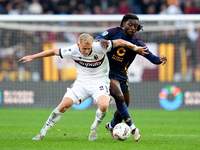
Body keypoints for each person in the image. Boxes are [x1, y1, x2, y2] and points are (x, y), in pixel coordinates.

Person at [18, 33, 147, 141]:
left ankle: (94, 128)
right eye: (83, 49)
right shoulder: (73, 50)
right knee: (63, 105)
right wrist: (32, 57)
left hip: (100, 82)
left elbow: (119, 41)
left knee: (104, 105)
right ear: (79, 45)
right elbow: (53, 51)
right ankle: (42, 133)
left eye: (88, 48)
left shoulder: (101, 47)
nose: (86, 51)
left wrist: (136, 48)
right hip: (82, 83)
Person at [90, 13, 167, 142]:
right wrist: (103, 41)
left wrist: (160, 59)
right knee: (119, 97)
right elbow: (96, 40)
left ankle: (111, 125)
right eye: (130, 24)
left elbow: (152, 58)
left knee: (125, 104)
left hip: (121, 74)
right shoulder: (113, 32)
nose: (132, 27)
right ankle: (132, 128)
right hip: (106, 72)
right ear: (123, 24)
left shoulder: (137, 42)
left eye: (135, 26)